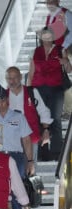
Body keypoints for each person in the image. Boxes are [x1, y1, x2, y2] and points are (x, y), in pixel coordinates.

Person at [27, 27, 72, 160]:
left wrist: (66, 62)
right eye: (44, 36)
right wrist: (29, 91)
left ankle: (57, 151)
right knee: (40, 120)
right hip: (38, 89)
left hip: (56, 88)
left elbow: (69, 70)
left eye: (48, 36)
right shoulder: (35, 51)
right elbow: (31, 72)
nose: (46, 38)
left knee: (55, 118)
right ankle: (43, 151)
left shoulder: (60, 50)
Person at [5, 66, 53, 161]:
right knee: (15, 169)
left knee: (30, 167)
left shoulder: (32, 92)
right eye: (9, 78)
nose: (12, 81)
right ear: (6, 79)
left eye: (15, 77)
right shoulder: (3, 95)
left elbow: (43, 111)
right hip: (12, 139)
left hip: (31, 136)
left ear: (21, 77)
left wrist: (46, 130)